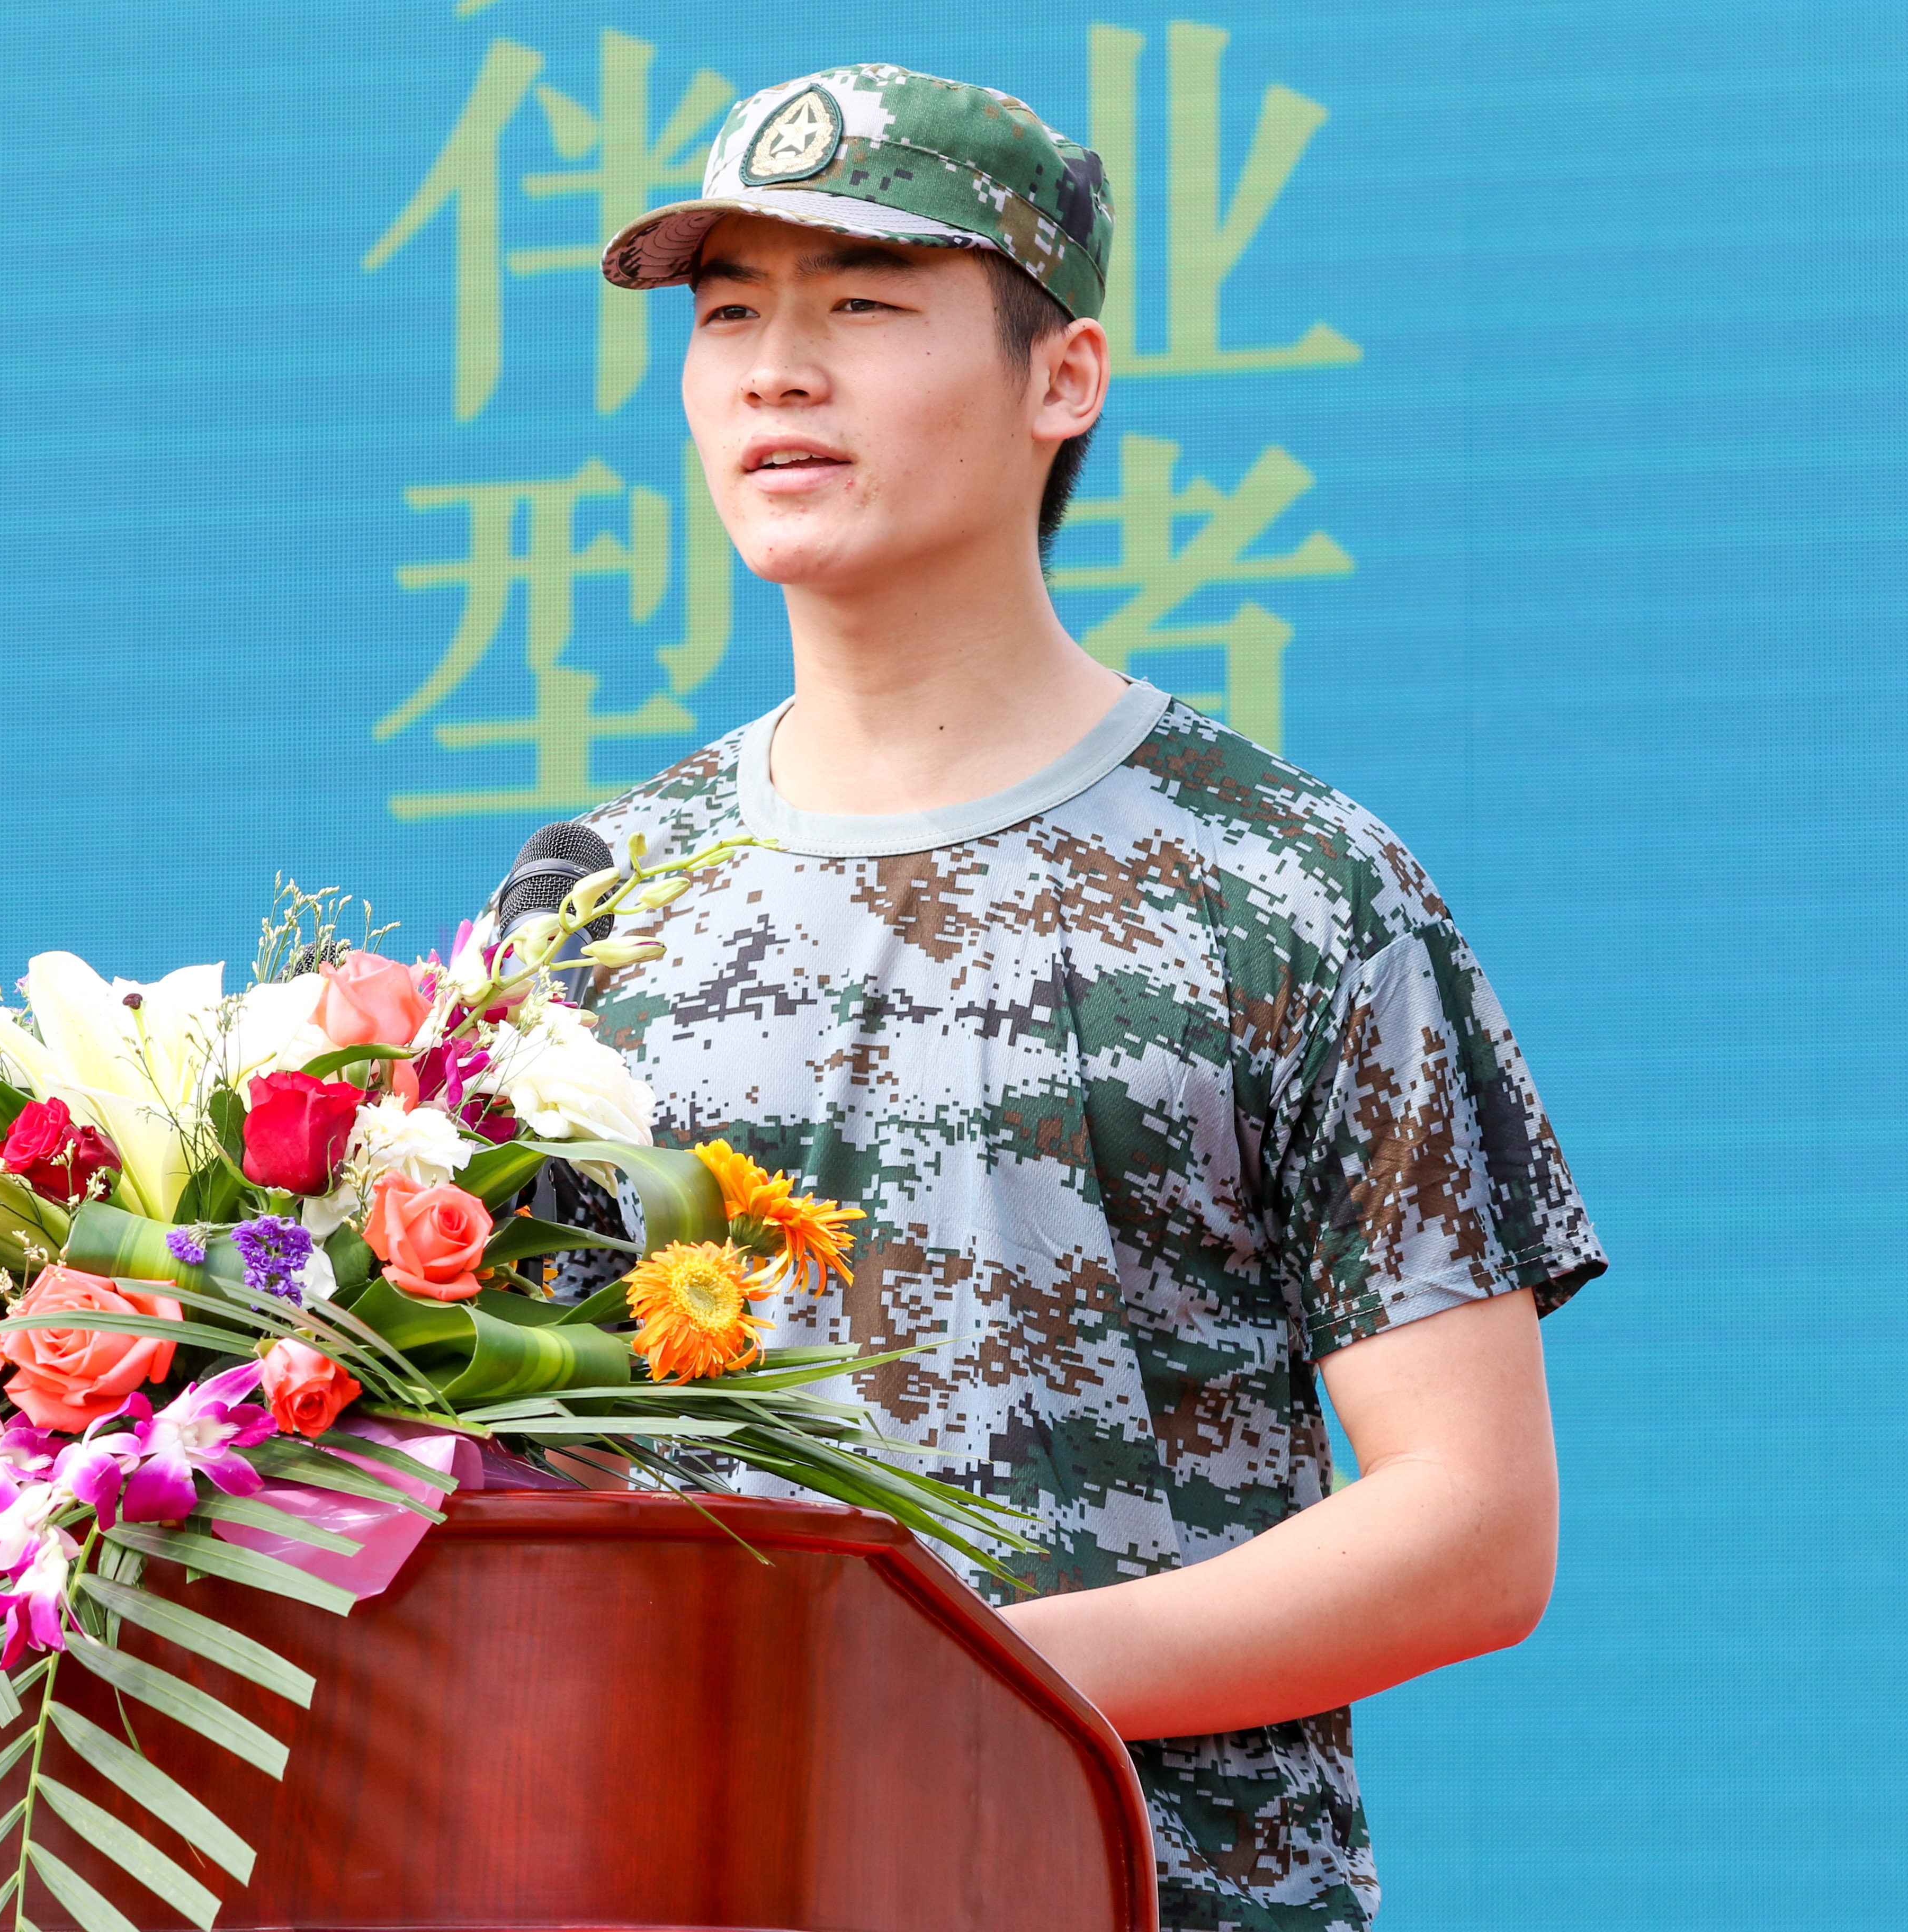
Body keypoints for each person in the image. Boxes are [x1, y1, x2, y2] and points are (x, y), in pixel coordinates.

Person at [565, 65, 1606, 1932]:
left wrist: (969, 1680)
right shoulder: (594, 905)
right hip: (684, 1880)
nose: (776, 373)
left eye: (862, 306)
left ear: (1064, 379)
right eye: (728, 317)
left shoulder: (1287, 886)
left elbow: (1473, 1528)